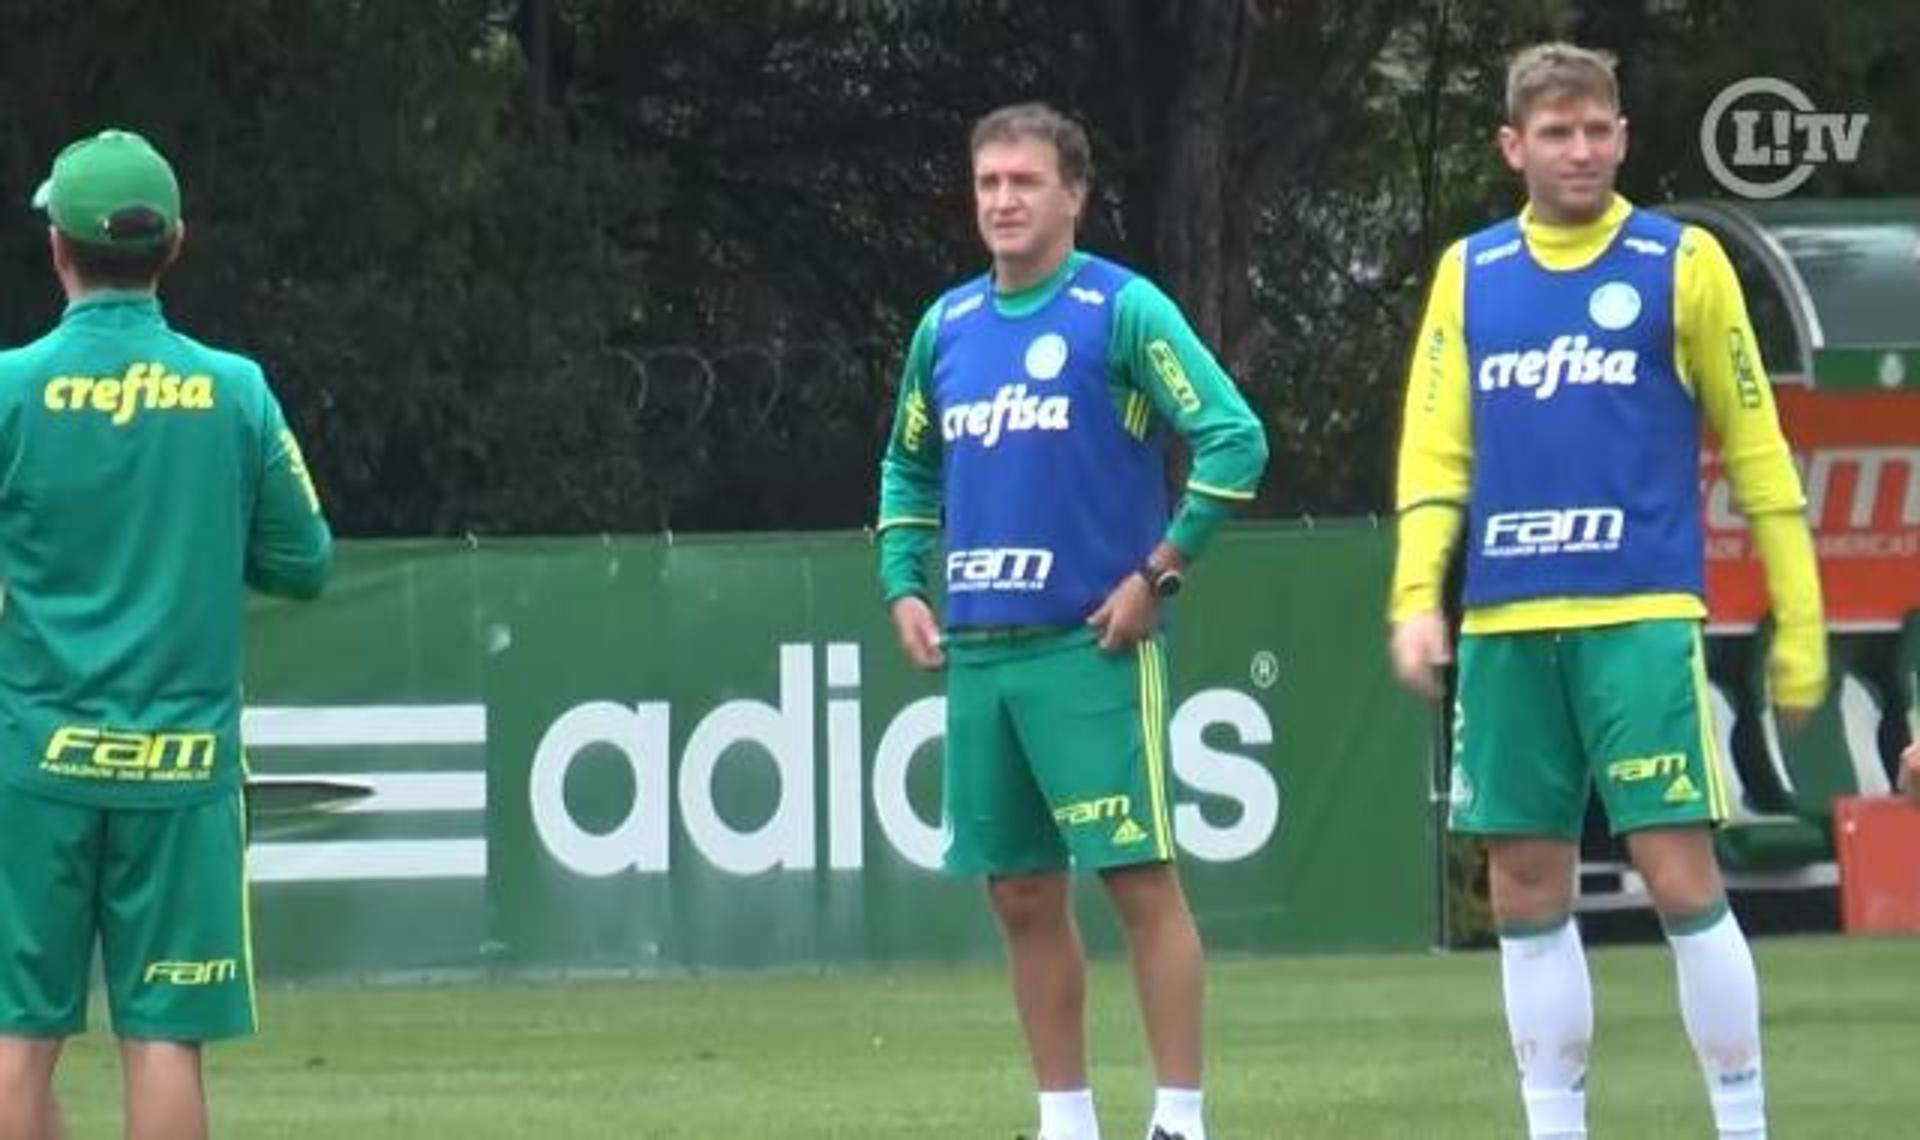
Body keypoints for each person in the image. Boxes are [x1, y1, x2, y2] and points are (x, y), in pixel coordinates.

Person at [1388, 43, 1827, 1140]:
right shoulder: (1472, 273)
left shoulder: (1681, 263)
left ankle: (1743, 1122)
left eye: (1596, 130)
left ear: (1623, 137)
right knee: (1526, 887)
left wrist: (1802, 624)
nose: (1579, 150)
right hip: (1506, 625)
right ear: (1512, 147)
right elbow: (1436, 457)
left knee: (1680, 877)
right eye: (1555, 132)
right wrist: (1415, 596)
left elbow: (1759, 448)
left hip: (1639, 616)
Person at [874, 102, 1267, 1140]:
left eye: (1025, 182)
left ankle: (1180, 1120)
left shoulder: (1120, 310)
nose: (1003, 200)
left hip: (1089, 647)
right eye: (988, 183)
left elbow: (1234, 441)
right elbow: (909, 464)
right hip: (981, 652)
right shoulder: (946, 327)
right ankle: (1067, 1120)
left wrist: (1160, 573)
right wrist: (904, 583)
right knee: (1019, 895)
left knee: (1139, 879)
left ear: (1075, 195)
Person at [0, 129, 333, 1140]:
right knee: (163, 1038)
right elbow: (304, 560)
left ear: (57, 245)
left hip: (33, 764)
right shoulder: (236, 391)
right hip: (184, 772)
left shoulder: (9, 389)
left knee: (17, 1035)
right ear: (175, 244)